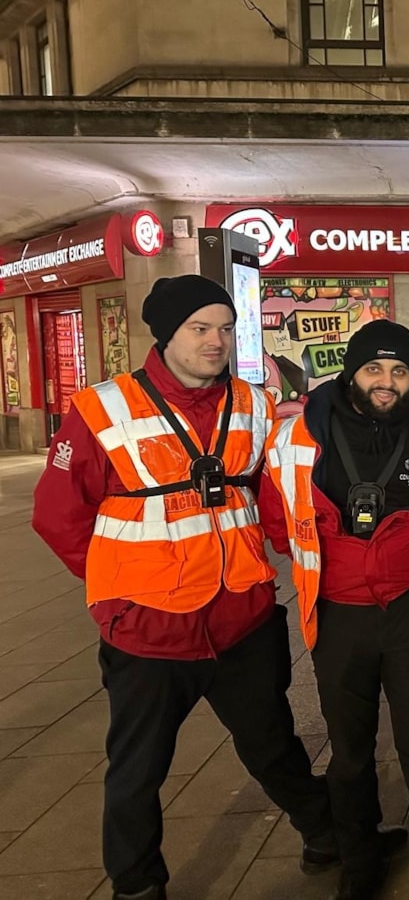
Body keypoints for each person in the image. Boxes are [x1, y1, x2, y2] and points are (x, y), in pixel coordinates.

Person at [32, 275, 335, 900]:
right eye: (200, 329)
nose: (215, 341)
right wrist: (113, 589)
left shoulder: (252, 404)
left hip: (242, 617)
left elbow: (272, 499)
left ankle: (328, 835)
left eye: (225, 329)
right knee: (137, 773)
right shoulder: (101, 408)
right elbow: (58, 514)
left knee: (274, 745)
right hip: (148, 626)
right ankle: (138, 887)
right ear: (166, 333)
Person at [259, 319, 409, 900]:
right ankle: (360, 870)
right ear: (351, 371)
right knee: (350, 754)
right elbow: (277, 515)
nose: (387, 382)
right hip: (337, 616)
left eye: (400, 371)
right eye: (375, 369)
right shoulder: (298, 434)